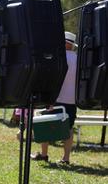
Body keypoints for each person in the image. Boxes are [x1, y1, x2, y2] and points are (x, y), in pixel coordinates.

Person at [31, 31, 78, 165]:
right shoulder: (78, 59)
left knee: (45, 124)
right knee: (68, 128)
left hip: (54, 98)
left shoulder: (58, 58)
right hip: (71, 100)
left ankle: (44, 154)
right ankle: (66, 158)